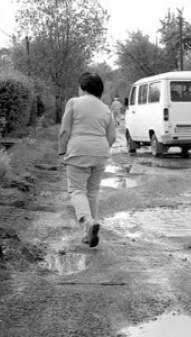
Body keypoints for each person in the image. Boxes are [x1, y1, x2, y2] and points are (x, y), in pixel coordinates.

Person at [58, 72, 116, 248]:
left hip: (78, 151)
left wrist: (62, 151)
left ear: (83, 88)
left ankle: (88, 222)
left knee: (76, 190)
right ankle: (88, 233)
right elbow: (112, 136)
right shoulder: (106, 108)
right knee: (92, 192)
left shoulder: (74, 103)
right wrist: (101, 149)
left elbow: (65, 131)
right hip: (100, 152)